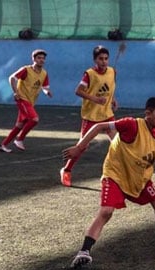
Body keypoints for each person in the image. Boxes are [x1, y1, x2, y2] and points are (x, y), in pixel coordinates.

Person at [62, 97, 155, 269]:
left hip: (139, 180)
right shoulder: (132, 124)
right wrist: (79, 147)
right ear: (148, 113)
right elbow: (100, 126)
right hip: (115, 175)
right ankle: (84, 252)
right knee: (106, 211)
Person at [60, 45, 119, 187]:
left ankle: (118, 174)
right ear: (95, 60)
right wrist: (95, 99)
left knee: (118, 144)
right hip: (91, 116)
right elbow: (78, 91)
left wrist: (114, 99)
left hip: (107, 115)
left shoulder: (112, 71)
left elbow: (110, 87)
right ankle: (66, 170)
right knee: (82, 147)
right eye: (100, 59)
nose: (104, 61)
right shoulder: (89, 74)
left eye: (106, 58)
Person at [0, 49, 53, 153]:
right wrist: (15, 92)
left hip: (30, 102)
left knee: (19, 125)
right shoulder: (26, 70)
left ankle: (3, 145)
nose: (41, 60)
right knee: (34, 119)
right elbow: (12, 78)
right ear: (34, 59)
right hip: (22, 99)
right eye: (39, 58)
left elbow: (45, 86)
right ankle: (19, 139)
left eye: (43, 58)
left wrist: (47, 92)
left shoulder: (44, 73)